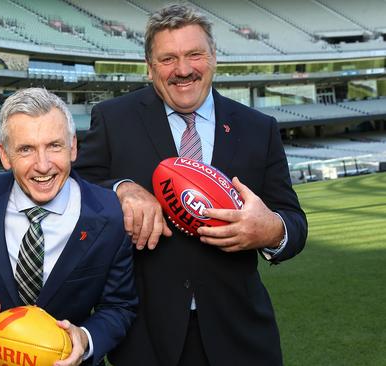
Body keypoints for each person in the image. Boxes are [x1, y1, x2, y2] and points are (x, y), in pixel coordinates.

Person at [74, 4, 307, 366]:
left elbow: (294, 220)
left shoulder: (258, 128)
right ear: (150, 69)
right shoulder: (113, 119)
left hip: (241, 336)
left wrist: (271, 230)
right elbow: (76, 184)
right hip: (146, 338)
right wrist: (122, 188)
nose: (183, 70)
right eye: (168, 59)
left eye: (194, 54)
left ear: (213, 57)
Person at [0, 88, 137, 366]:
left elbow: (119, 306)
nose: (43, 165)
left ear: (73, 147)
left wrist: (84, 339)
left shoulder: (109, 213)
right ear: (5, 155)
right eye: (26, 149)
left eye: (54, 146)